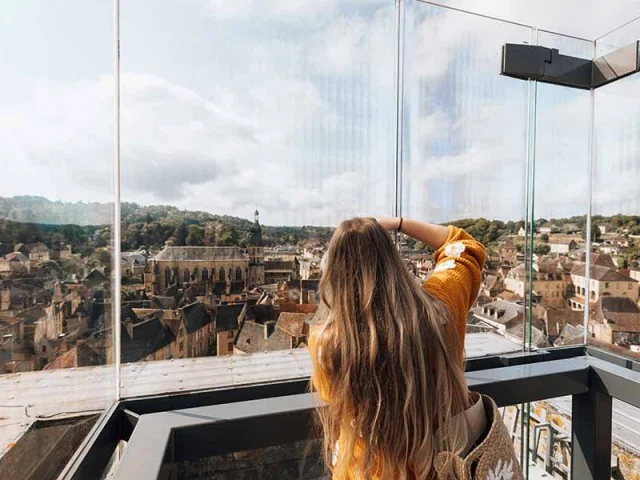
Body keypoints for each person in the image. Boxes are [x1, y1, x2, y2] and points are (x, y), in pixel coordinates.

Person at [309, 217, 523, 480]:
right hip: (445, 464)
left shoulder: (327, 342)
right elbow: (463, 245)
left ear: (334, 271)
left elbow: (333, 397)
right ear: (392, 260)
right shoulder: (440, 311)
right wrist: (397, 223)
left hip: (370, 470)